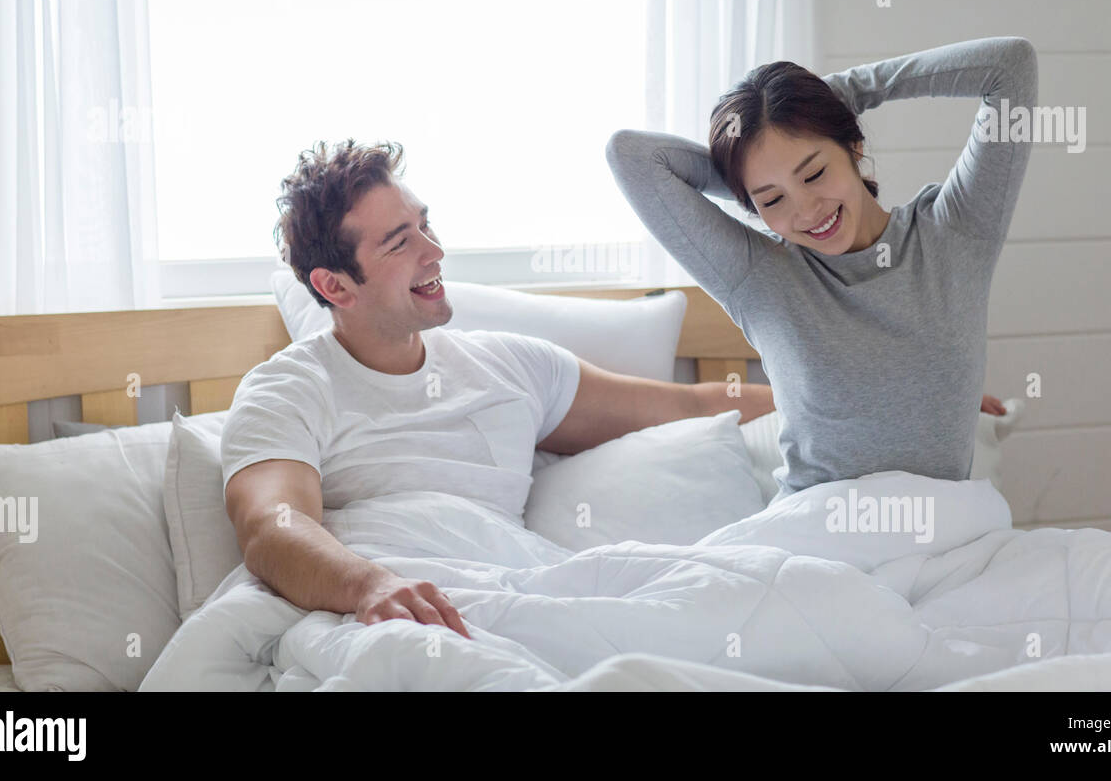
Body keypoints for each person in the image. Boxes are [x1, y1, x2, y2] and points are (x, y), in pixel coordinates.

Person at [221, 139, 776, 640]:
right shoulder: (286, 389)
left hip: (512, 595)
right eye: (398, 243)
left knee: (760, 592)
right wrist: (371, 585)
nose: (434, 251)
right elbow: (273, 527)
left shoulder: (511, 367)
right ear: (333, 285)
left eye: (425, 224)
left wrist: (839, 405)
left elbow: (690, 406)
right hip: (394, 617)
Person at [606, 36, 1036, 503]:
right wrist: (745, 172)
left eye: (813, 174)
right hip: (817, 541)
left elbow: (1010, 66)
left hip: (943, 540)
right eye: (772, 199)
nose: (807, 210)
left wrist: (844, 95)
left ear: (853, 145)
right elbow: (630, 156)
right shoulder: (762, 279)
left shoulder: (956, 233)